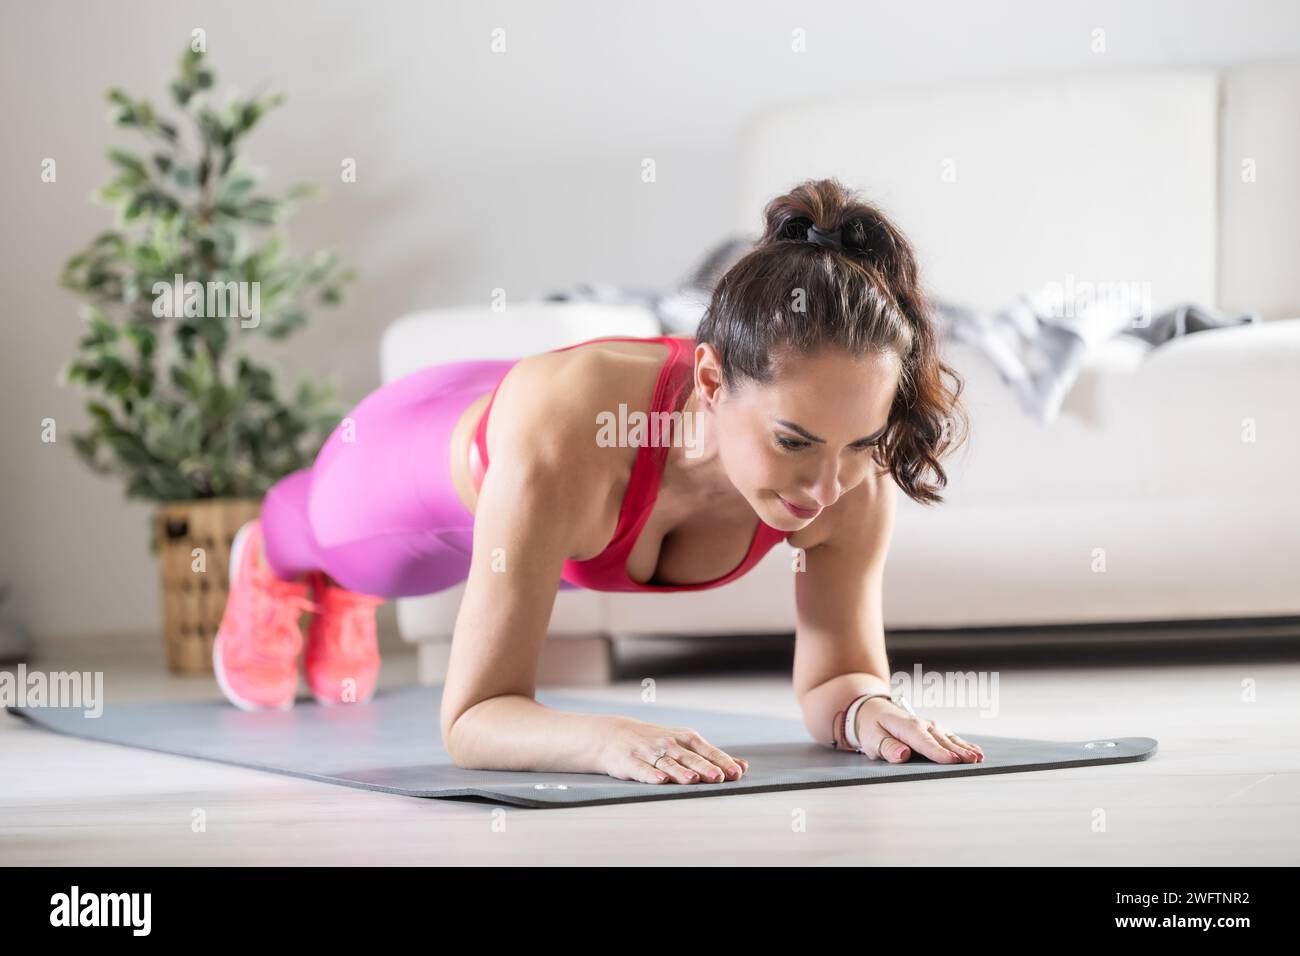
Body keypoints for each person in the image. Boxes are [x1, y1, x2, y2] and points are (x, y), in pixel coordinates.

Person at [212, 177, 984, 785]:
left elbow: (838, 674)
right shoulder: (567, 443)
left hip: (538, 468)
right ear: (712, 383)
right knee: (336, 544)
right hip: (411, 464)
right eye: (794, 441)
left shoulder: (852, 483)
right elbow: (475, 716)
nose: (823, 487)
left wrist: (865, 711)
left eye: (857, 443)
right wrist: (605, 738)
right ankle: (277, 567)